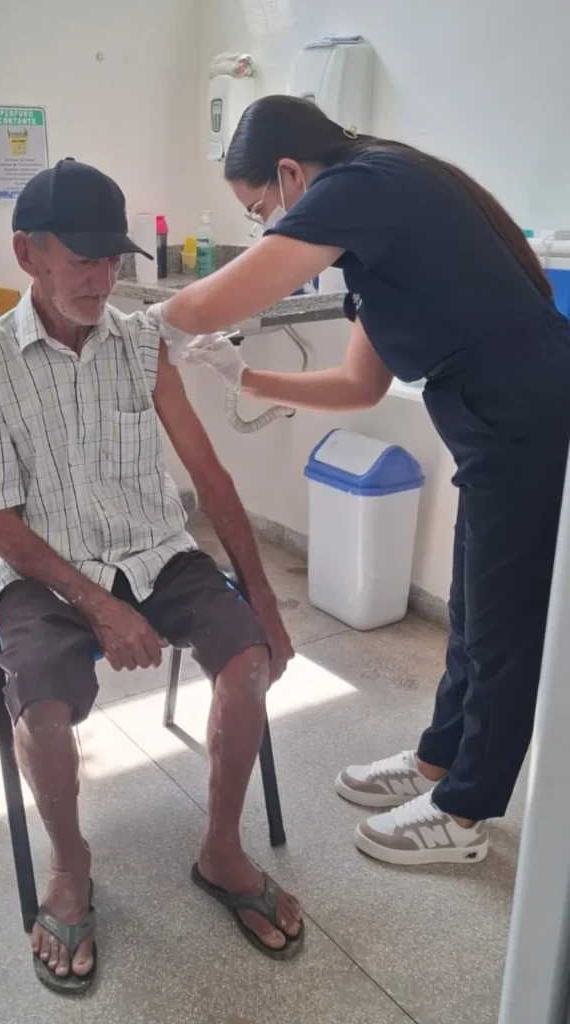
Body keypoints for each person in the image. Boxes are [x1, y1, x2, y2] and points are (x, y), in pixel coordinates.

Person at [146, 96, 570, 869]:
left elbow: (221, 295)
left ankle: (465, 811)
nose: (265, 228)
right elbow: (358, 385)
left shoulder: (363, 184)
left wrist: (143, 331)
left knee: (502, 622)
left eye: (260, 211)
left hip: (527, 410)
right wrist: (245, 377)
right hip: (494, 420)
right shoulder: (372, 237)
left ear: (290, 173)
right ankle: (438, 761)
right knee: (475, 608)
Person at [0, 158, 302, 995]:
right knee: (41, 706)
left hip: (157, 553)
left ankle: (221, 851)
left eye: (113, 260)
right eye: (82, 261)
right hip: (46, 574)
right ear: (28, 253)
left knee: (250, 661)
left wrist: (261, 596)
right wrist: (99, 606)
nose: (103, 281)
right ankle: (70, 867)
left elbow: (208, 475)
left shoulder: (142, 345)